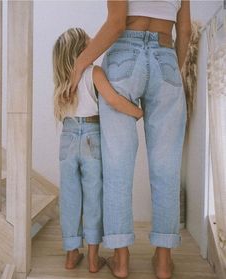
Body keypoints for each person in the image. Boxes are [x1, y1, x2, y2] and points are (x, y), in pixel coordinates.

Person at [70, 1, 191, 278]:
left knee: (117, 167)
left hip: (125, 56)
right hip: (166, 56)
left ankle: (121, 261)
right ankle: (163, 262)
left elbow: (116, 24)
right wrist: (171, 72)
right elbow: (184, 31)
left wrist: (80, 63)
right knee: (166, 168)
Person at [52, 27, 143, 274]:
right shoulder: (94, 72)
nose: (94, 42)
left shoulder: (62, 79)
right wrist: (137, 112)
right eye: (88, 40)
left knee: (70, 197)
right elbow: (113, 99)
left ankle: (71, 255)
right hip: (92, 136)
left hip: (68, 137)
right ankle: (93, 259)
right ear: (81, 49)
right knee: (94, 197)